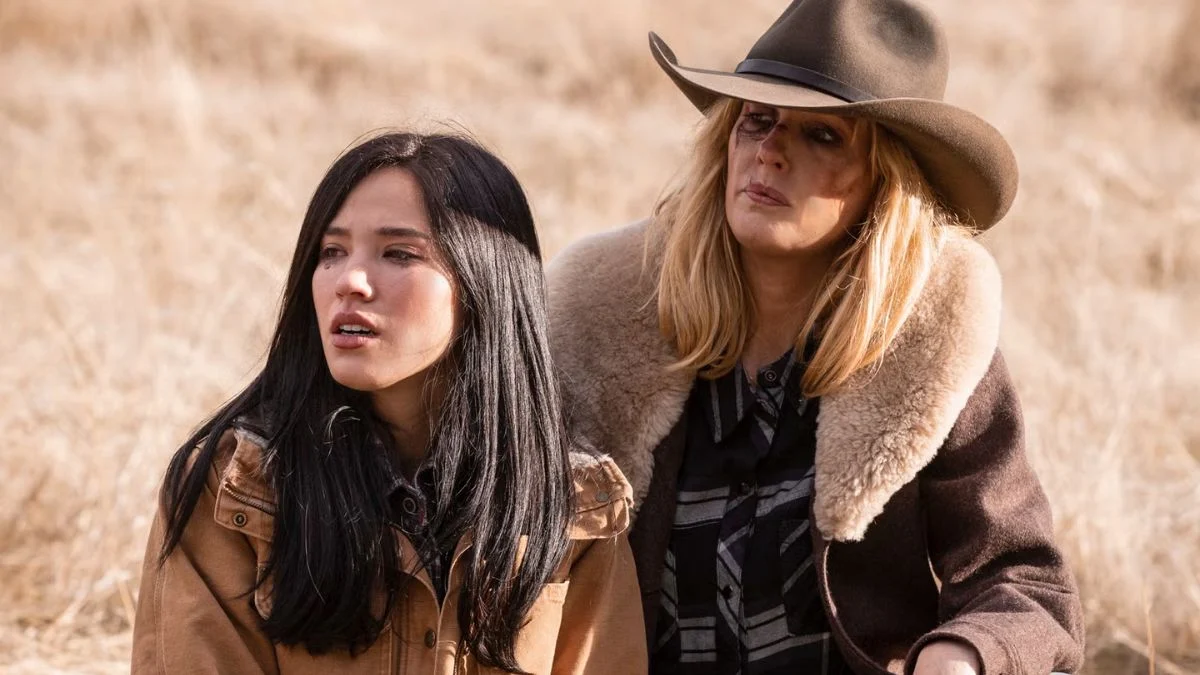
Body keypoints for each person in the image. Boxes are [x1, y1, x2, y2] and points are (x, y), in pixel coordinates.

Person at [546, 1, 1085, 673]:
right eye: (757, 120)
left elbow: (1026, 586)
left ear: (884, 182)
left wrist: (960, 656)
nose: (770, 152)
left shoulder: (932, 347)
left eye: (822, 135)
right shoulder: (601, 319)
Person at [132, 131, 647, 674]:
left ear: (486, 283)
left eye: (399, 253)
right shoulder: (234, 487)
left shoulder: (572, 507)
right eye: (331, 252)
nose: (349, 281)